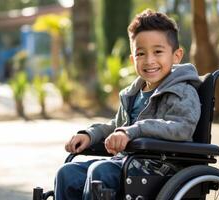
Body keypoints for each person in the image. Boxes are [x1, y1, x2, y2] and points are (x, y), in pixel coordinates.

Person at [54, 9, 202, 200]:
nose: (149, 60)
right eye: (141, 54)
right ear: (133, 59)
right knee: (67, 173)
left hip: (163, 167)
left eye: (158, 51)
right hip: (128, 163)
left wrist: (133, 131)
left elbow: (182, 128)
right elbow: (116, 126)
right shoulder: (133, 94)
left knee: (101, 172)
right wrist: (90, 135)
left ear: (176, 55)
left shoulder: (182, 91)